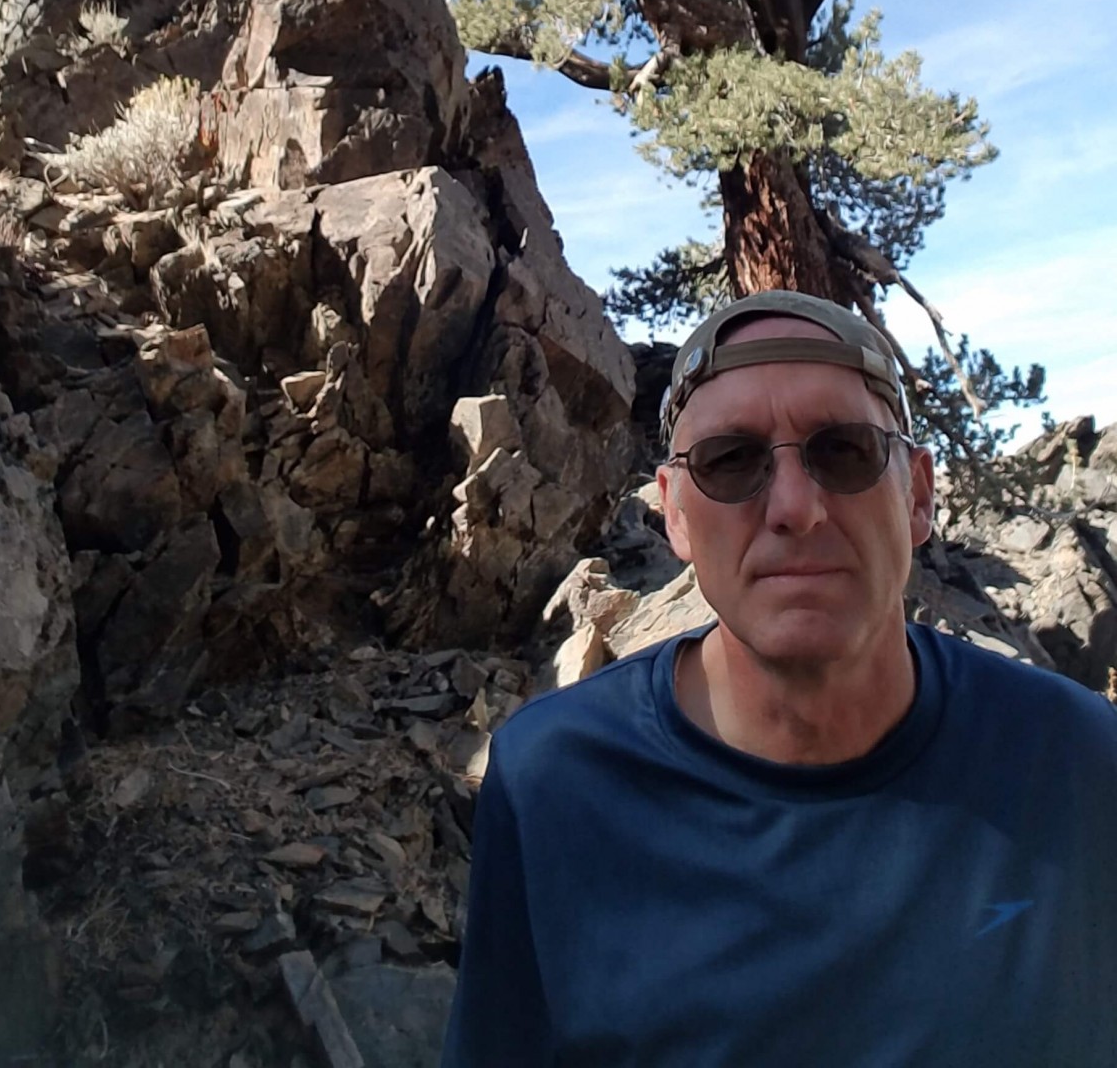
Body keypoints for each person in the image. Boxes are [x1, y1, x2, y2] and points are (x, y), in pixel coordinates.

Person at [441, 289, 1117, 1067]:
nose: (796, 507)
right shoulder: (552, 782)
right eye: (731, 462)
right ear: (676, 515)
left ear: (919, 494)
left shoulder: (1072, 760)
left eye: (845, 450)